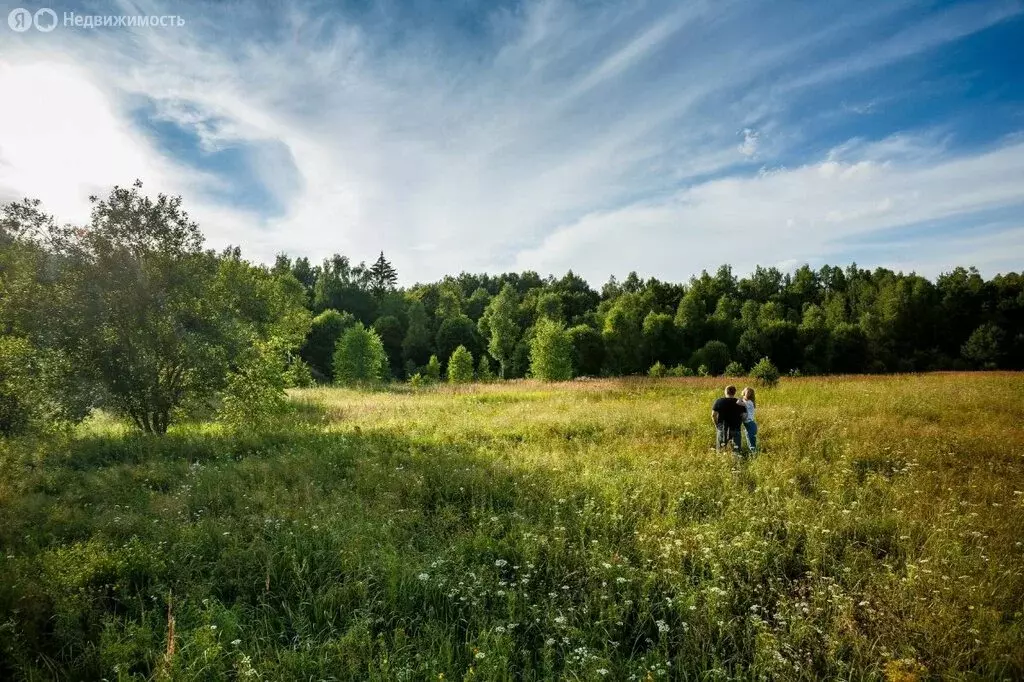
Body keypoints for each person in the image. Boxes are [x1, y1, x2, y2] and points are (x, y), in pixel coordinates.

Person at [711, 385, 746, 453]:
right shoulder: (740, 403)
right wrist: (739, 423)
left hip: (722, 428)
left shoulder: (719, 401)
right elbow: (744, 416)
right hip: (736, 428)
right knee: (736, 449)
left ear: (725, 392)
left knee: (721, 449)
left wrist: (717, 425)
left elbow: (713, 415)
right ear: (734, 392)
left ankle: (721, 460)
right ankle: (737, 460)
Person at [738, 386, 758, 453]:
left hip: (750, 424)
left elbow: (738, 402)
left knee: (751, 443)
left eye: (750, 392)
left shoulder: (749, 402)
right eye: (747, 391)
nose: (748, 393)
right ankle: (752, 455)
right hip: (749, 424)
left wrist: (741, 396)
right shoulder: (746, 401)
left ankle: (754, 456)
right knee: (749, 441)